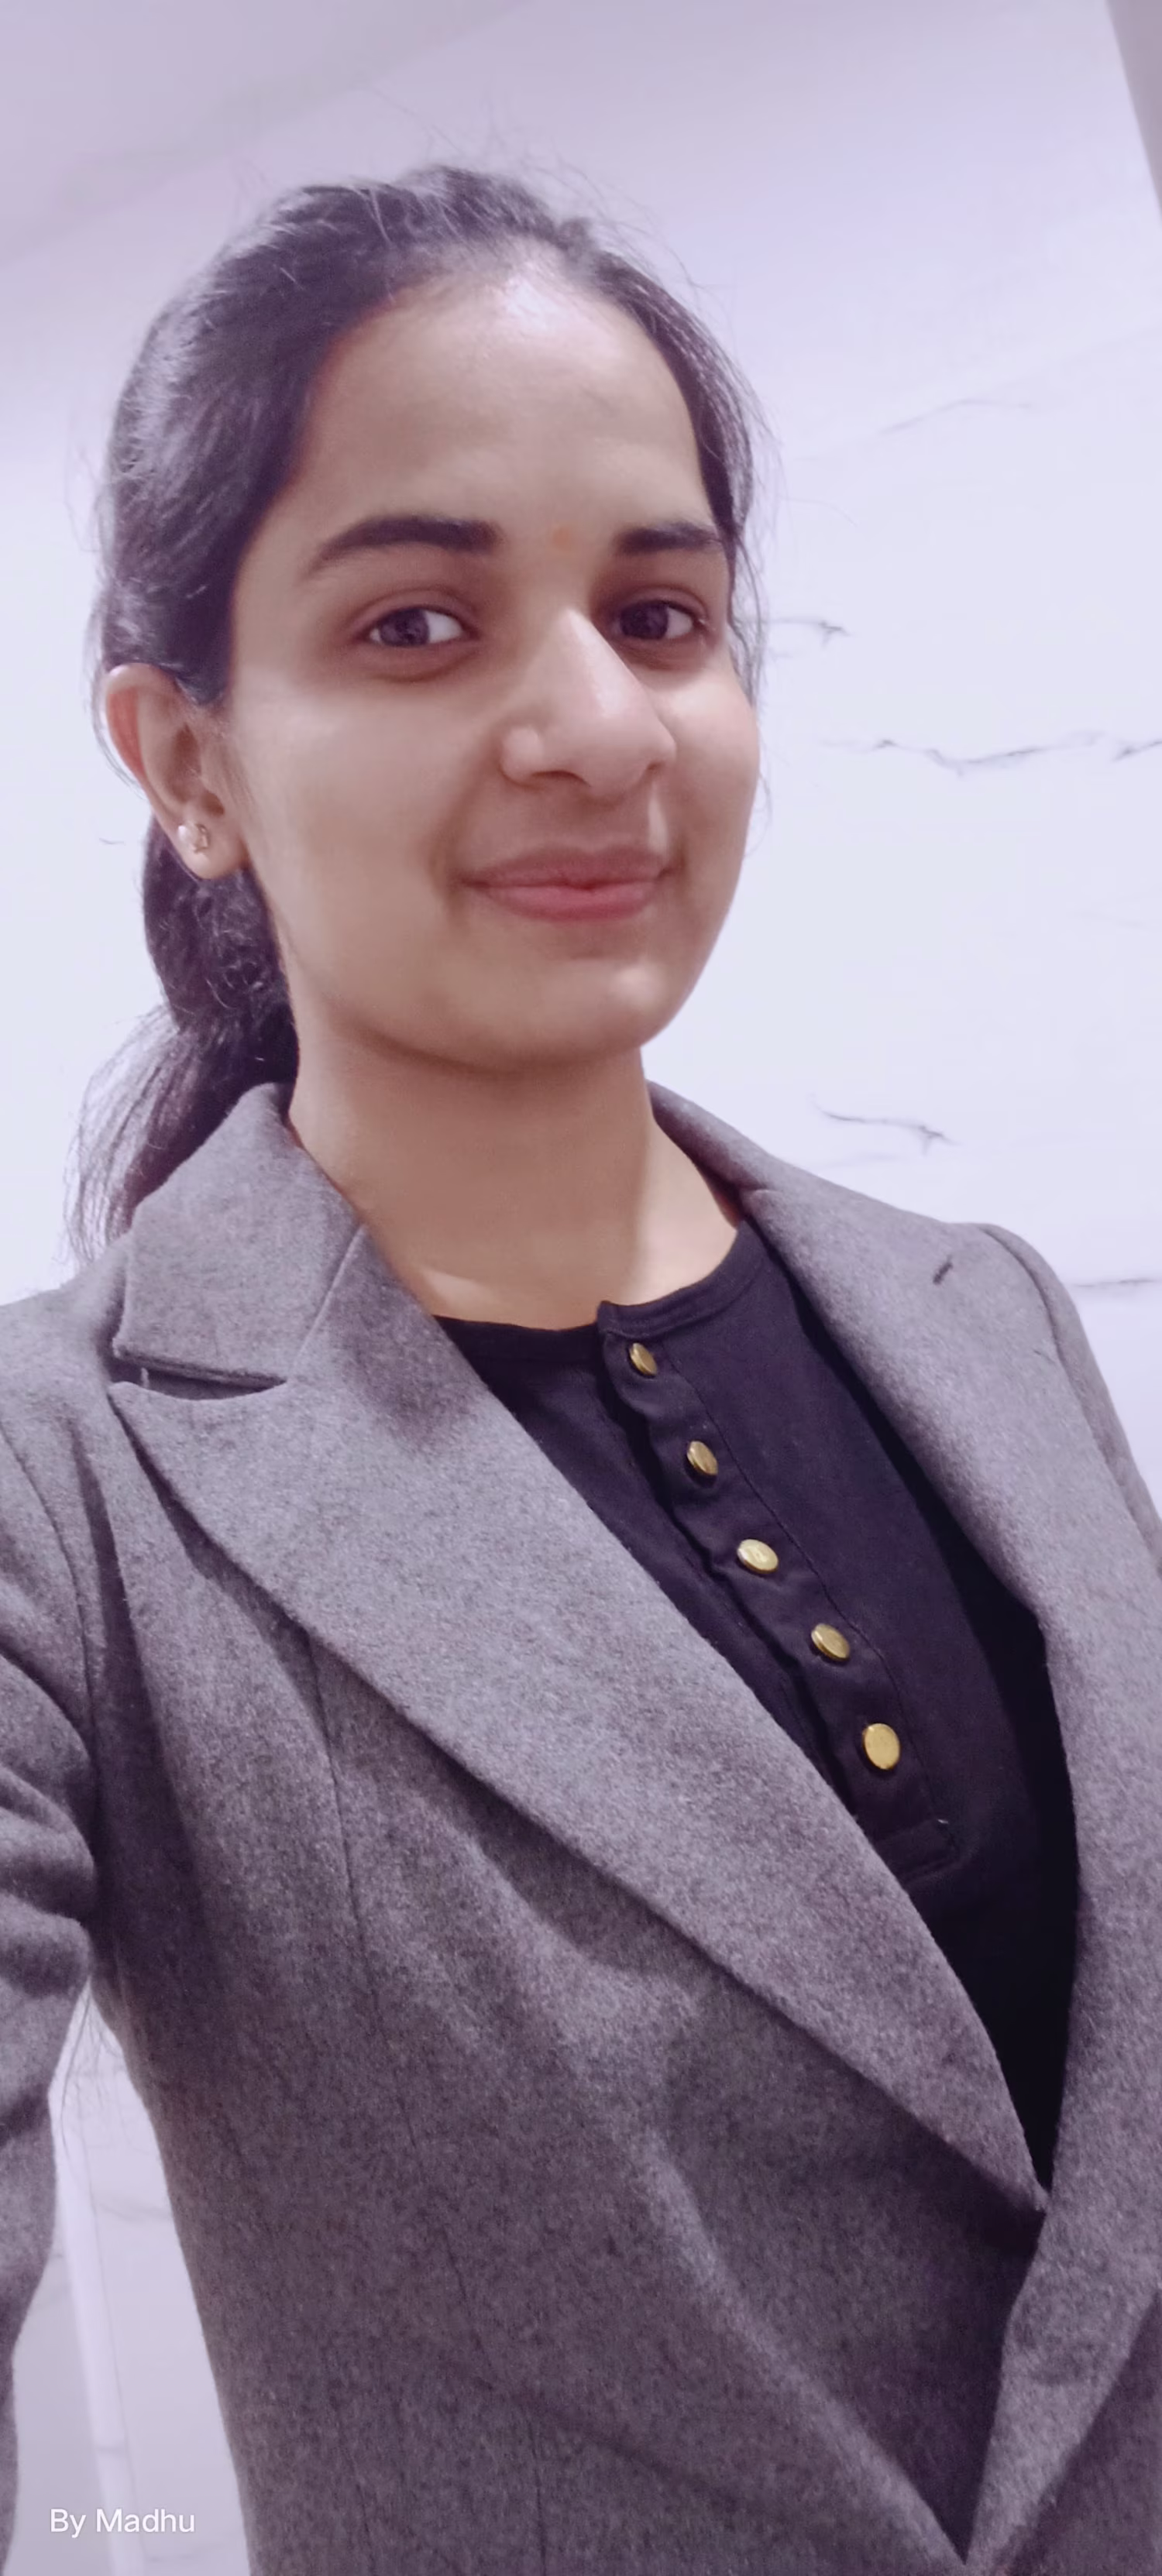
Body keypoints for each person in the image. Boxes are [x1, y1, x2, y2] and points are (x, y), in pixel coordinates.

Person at [2, 165, 1160, 2576]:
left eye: (659, 613)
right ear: (187, 758)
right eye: (417, 622)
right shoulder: (65, 1477)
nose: (595, 727)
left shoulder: (986, 1312)